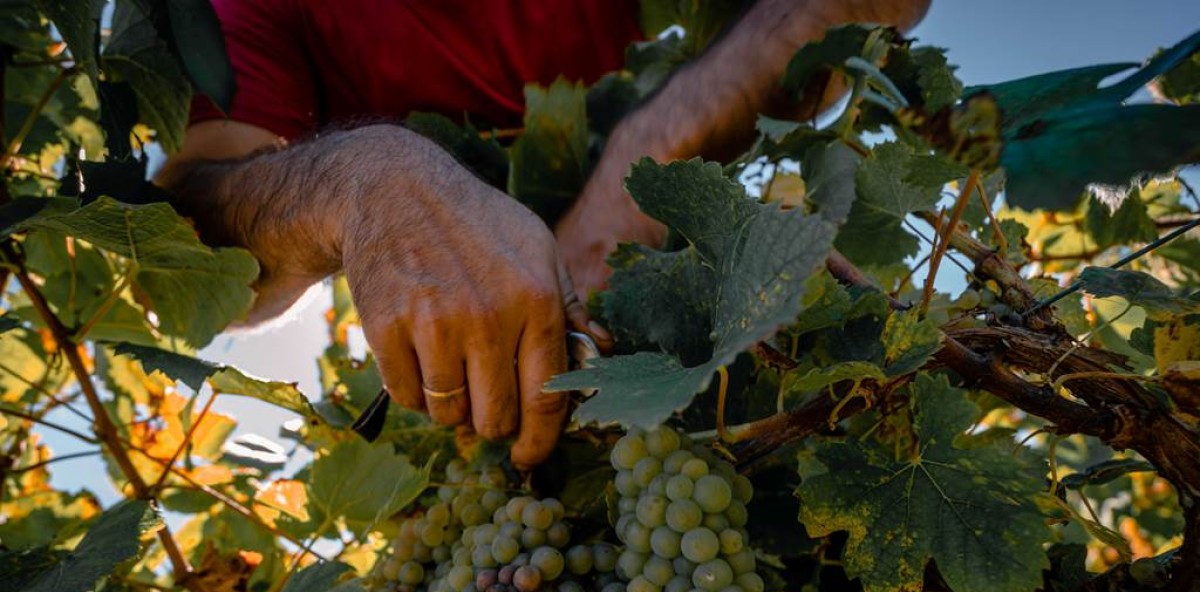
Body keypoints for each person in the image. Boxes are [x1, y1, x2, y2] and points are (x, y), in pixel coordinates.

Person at [160, 0, 929, 469]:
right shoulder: (256, 8)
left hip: (729, 316)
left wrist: (631, 184)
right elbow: (190, 250)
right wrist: (364, 180)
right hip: (499, 412)